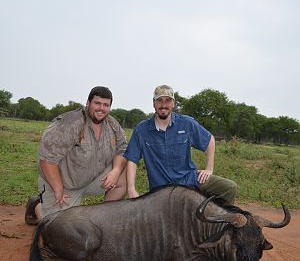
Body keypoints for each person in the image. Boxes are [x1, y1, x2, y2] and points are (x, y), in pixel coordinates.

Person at [25, 86, 128, 225]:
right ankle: (36, 206)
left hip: (92, 179)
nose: (101, 108)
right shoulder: (69, 123)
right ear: (88, 103)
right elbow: (47, 159)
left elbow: (122, 149)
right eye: (97, 103)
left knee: (124, 172)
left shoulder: (112, 124)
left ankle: (103, 218)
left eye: (106, 105)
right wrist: (58, 188)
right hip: (63, 184)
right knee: (59, 229)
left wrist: (115, 171)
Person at [124, 85, 237, 205]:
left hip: (190, 180)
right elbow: (132, 159)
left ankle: (219, 222)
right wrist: (131, 189)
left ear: (173, 103)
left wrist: (209, 169)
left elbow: (210, 140)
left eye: (168, 100)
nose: (163, 105)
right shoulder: (142, 129)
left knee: (230, 187)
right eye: (159, 100)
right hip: (161, 189)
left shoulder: (186, 123)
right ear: (154, 103)